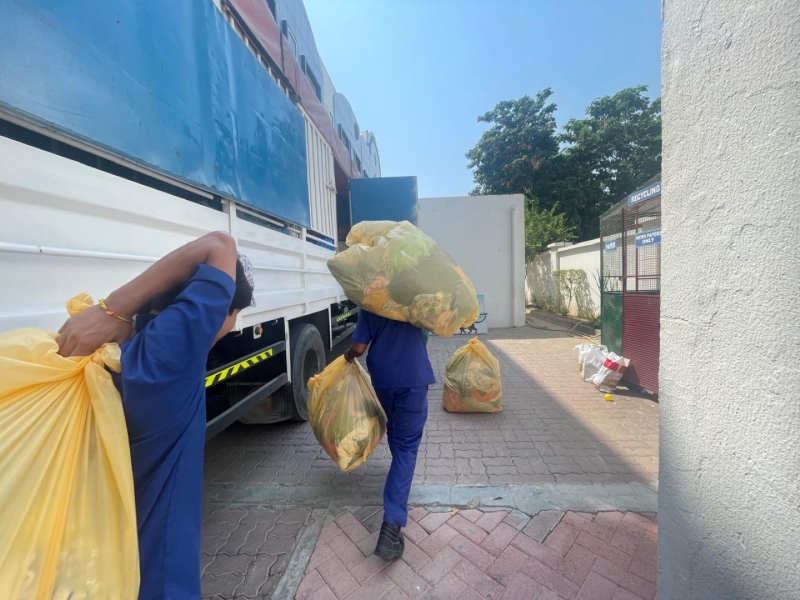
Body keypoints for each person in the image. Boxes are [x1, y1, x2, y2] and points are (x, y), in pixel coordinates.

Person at [56, 232, 254, 599]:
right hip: (158, 579)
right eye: (235, 313)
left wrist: (126, 313)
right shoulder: (166, 361)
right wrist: (110, 309)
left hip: (98, 573)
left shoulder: (115, 359)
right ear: (217, 312)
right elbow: (220, 245)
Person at [344, 310, 434, 561]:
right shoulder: (415, 299)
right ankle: (391, 528)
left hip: (383, 380)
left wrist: (348, 356)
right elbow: (435, 326)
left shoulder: (371, 303)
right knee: (406, 447)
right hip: (413, 378)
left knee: (396, 432)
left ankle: (398, 481)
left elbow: (359, 347)